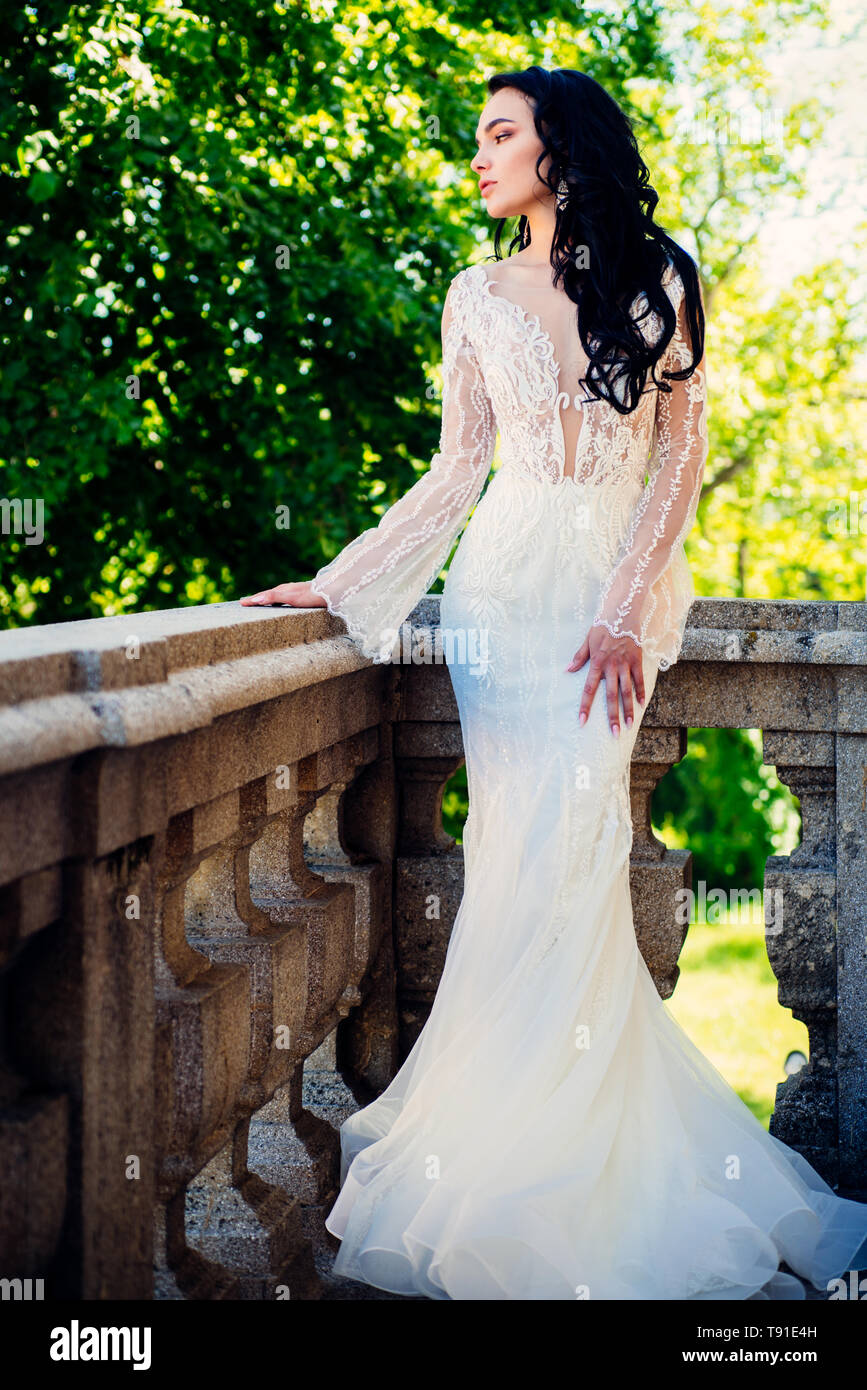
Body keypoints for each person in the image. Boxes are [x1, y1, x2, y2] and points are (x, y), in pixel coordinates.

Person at [241, 67, 867, 1299]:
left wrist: (629, 608)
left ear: (556, 146)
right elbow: (456, 469)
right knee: (516, 857)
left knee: (578, 858)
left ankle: (578, 1159)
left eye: (498, 134)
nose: (477, 157)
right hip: (500, 601)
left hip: (603, 602)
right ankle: (505, 1148)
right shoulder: (472, 295)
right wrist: (340, 579)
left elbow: (677, 462)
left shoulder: (665, 275)